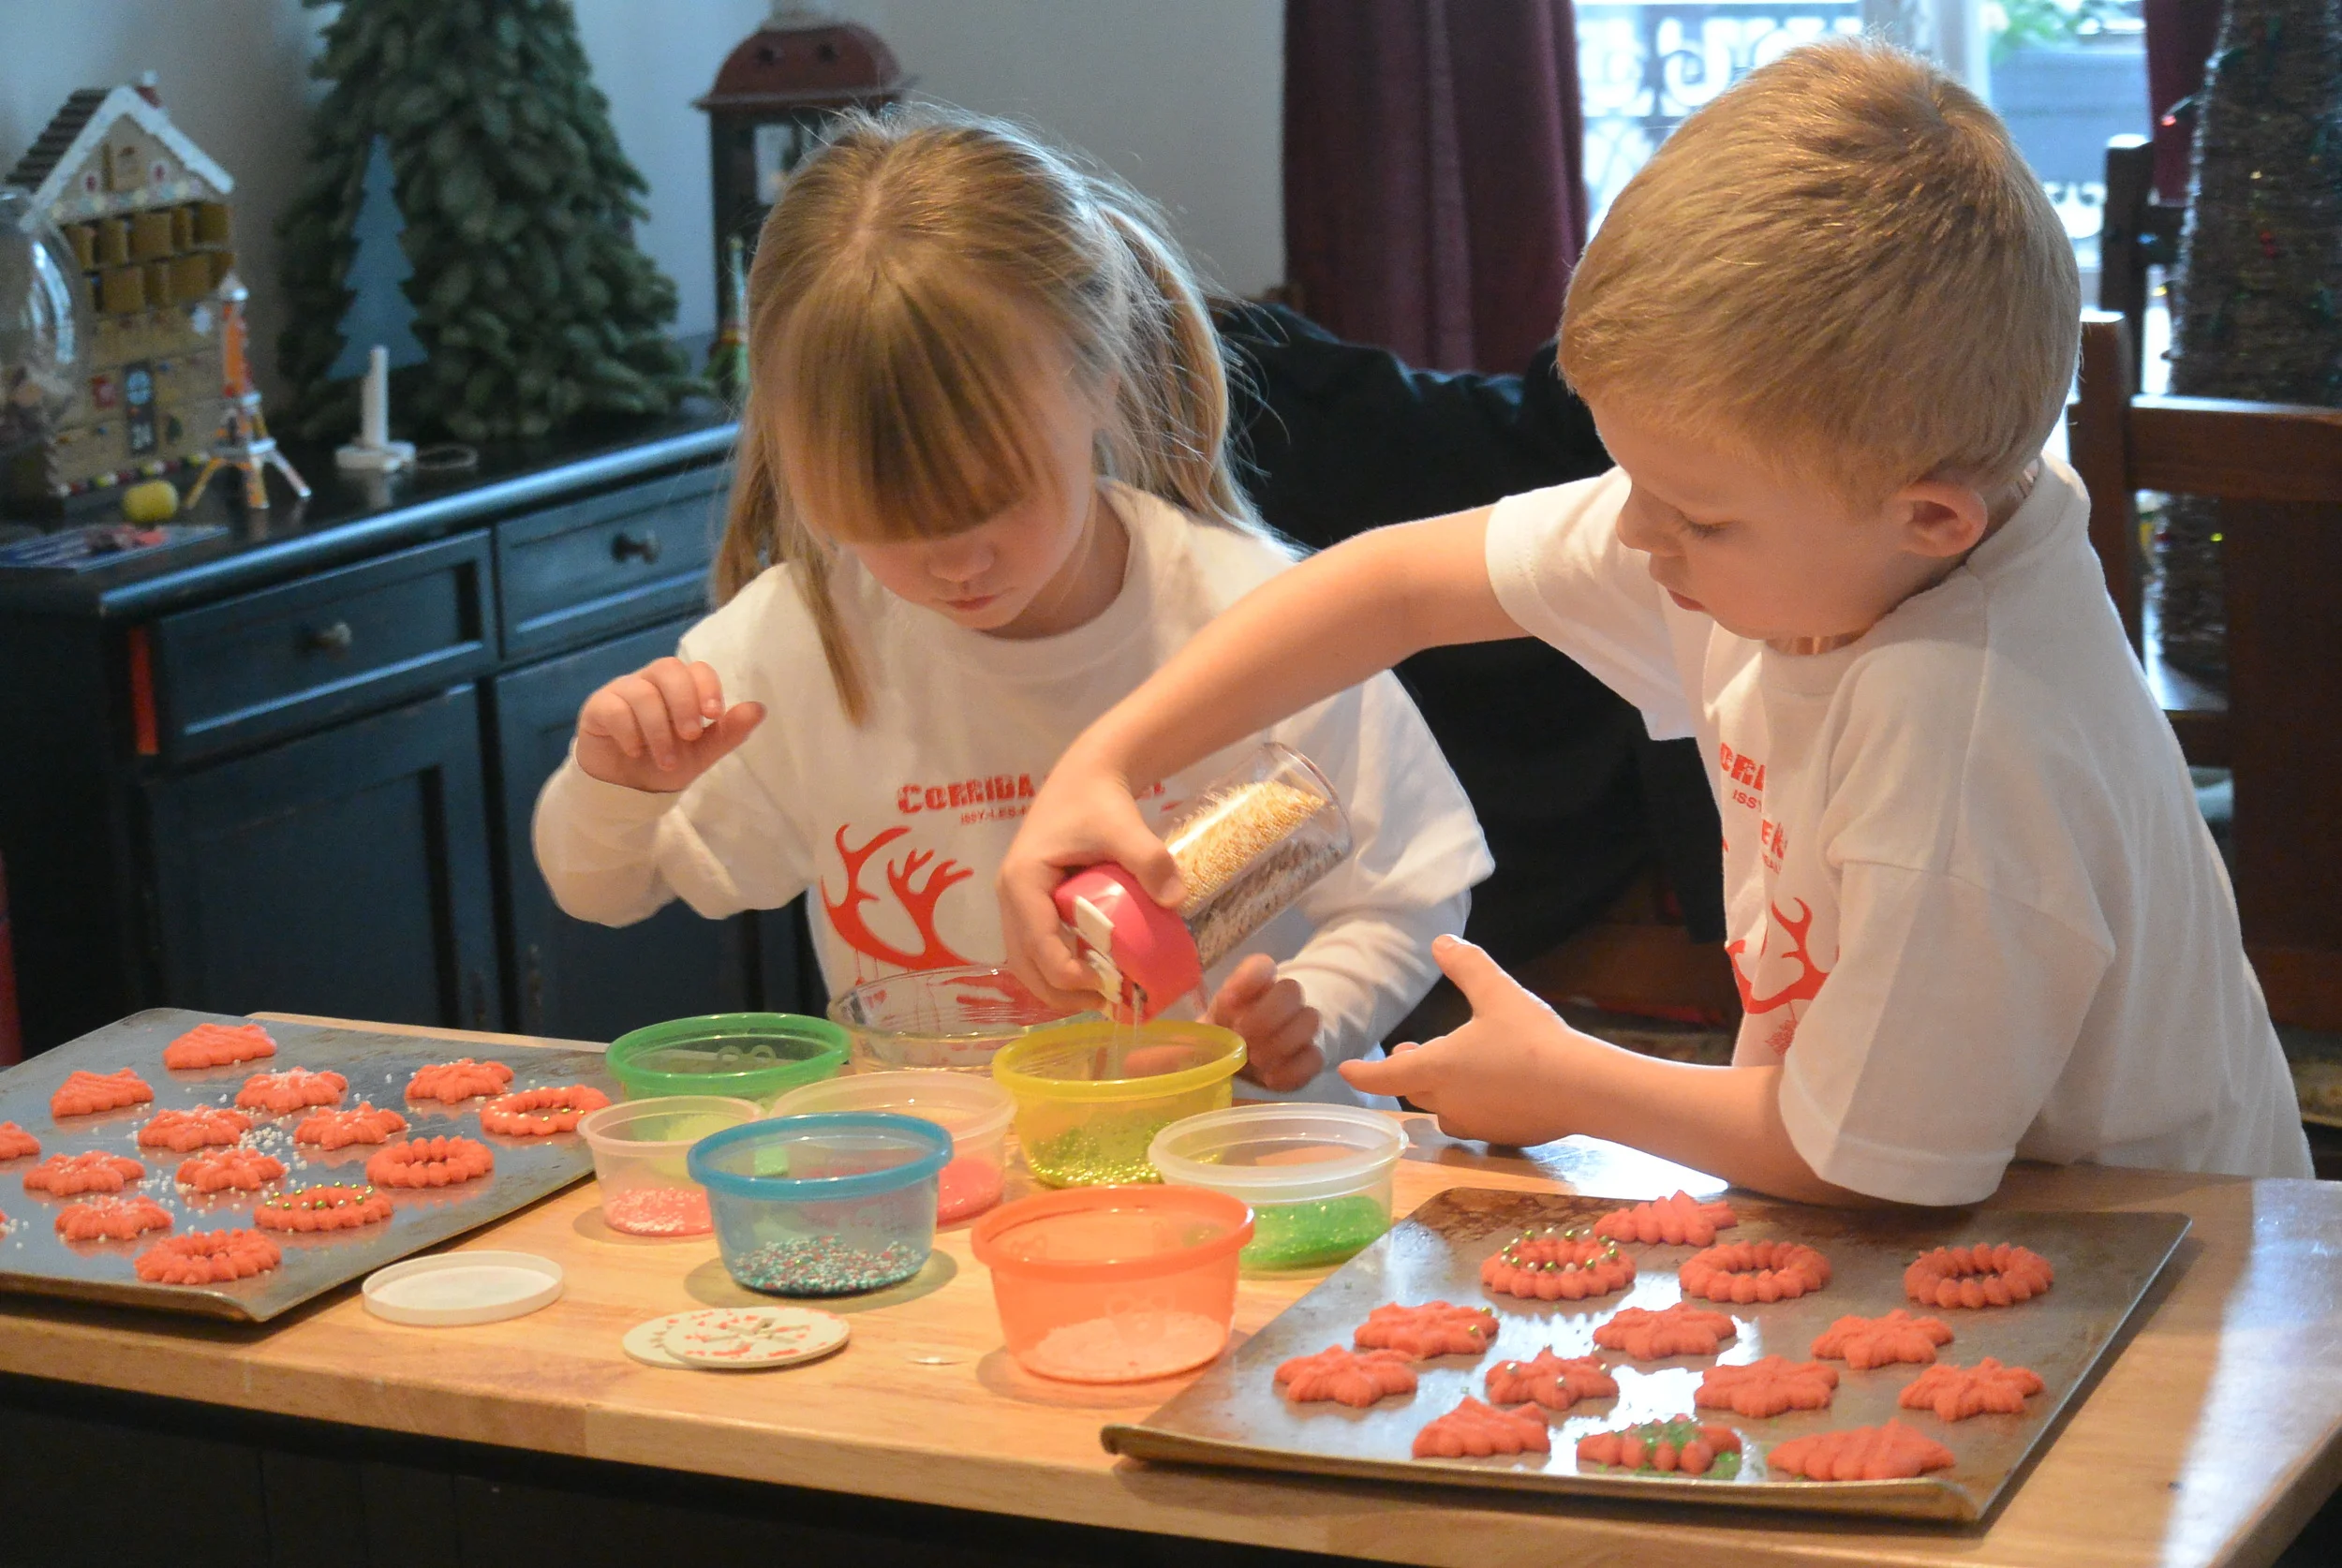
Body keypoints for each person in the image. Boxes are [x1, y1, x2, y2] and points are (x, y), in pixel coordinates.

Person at [998, 40, 2313, 1203]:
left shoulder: (1961, 722)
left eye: (1695, 515)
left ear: (1932, 518)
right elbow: (1392, 584)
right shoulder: (1819, 534)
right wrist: (1102, 766)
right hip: (1950, 1201)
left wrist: (1573, 1082)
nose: (1637, 539)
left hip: (2166, 1267)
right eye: (1638, 485)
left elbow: (1858, 1155)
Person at [532, 110, 1490, 1102]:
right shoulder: (799, 642)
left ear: (1097, 383)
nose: (957, 570)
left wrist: (1309, 1012)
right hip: (949, 1181)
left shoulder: (1251, 612)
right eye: (883, 525)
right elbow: (596, 890)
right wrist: (615, 783)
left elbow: (1410, 888)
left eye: (996, 502)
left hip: (1233, 1169)